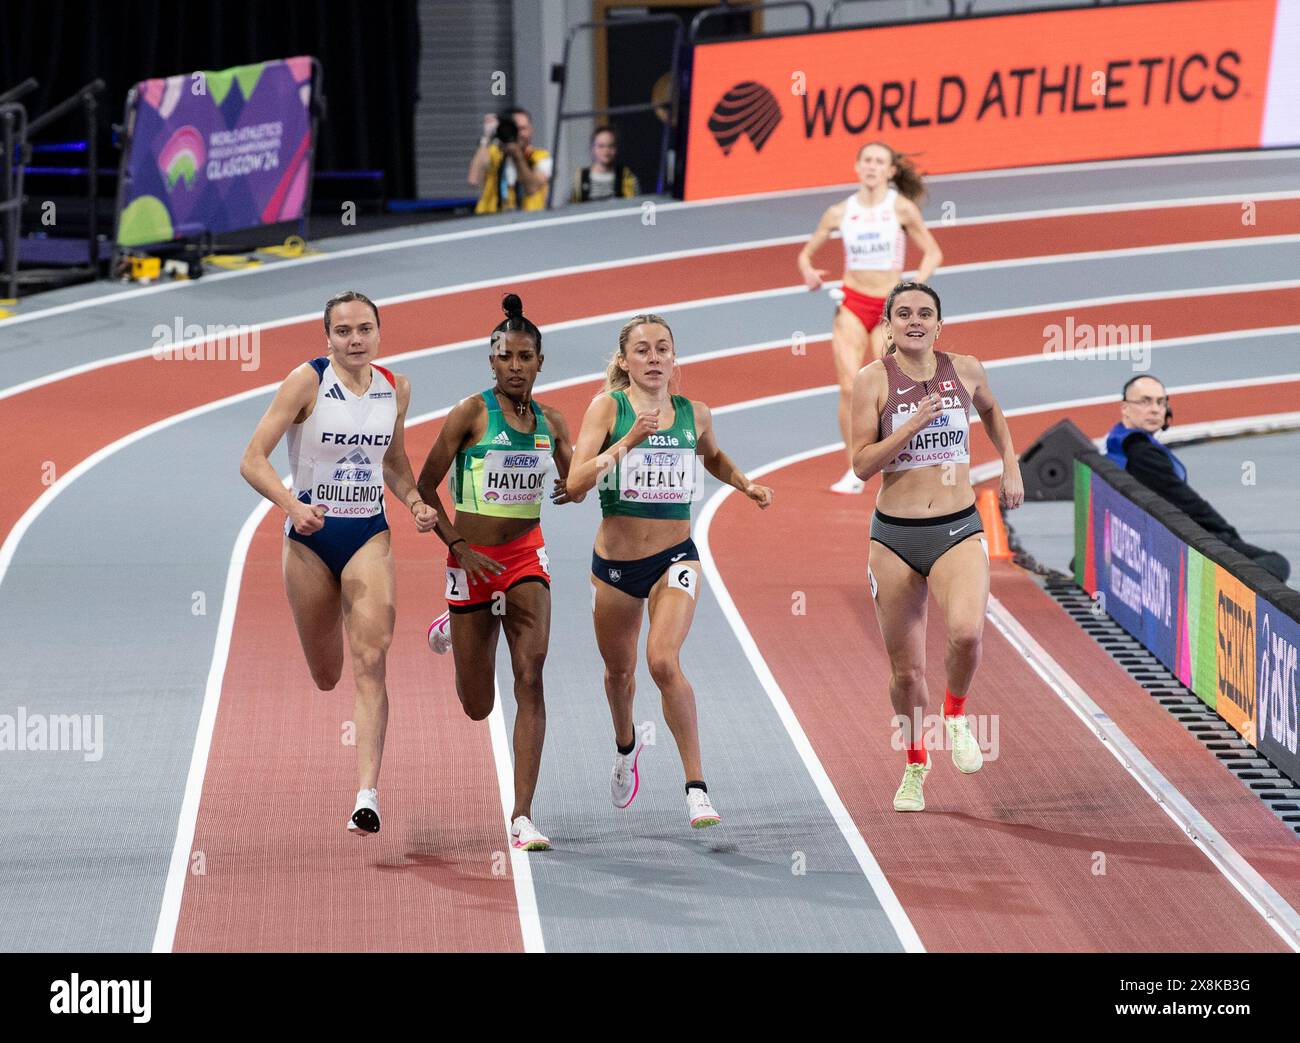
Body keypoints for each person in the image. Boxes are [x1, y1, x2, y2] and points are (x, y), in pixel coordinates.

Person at [239, 291, 437, 835]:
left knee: (371, 658)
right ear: (328, 336)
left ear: (378, 333)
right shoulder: (306, 381)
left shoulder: (396, 388)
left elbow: (394, 463)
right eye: (344, 331)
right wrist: (292, 506)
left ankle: (366, 795)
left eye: (364, 329)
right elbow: (252, 459)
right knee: (328, 675)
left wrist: (416, 501)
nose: (355, 340)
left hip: (367, 533)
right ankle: (362, 779)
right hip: (308, 541)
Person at [566, 314, 774, 829]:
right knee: (620, 673)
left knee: (662, 660)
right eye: (643, 350)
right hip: (614, 566)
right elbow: (574, 484)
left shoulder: (694, 413)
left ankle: (696, 788)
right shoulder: (607, 409)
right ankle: (625, 746)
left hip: (675, 556)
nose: (654, 358)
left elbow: (713, 457)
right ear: (624, 361)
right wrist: (630, 439)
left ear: (674, 358)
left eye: (663, 349)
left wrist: (744, 484)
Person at [850, 282, 1023, 812]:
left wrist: (1010, 463)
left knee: (967, 634)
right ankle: (915, 763)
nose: (915, 321)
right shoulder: (872, 381)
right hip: (895, 537)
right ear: (889, 326)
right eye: (904, 314)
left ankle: (955, 716)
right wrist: (913, 425)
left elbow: (992, 411)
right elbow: (861, 464)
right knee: (906, 673)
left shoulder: (965, 369)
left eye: (925, 313)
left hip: (957, 527)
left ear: (939, 325)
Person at [416, 294, 580, 851]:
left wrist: (578, 479)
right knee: (477, 704)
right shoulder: (470, 414)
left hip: (525, 558)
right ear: (492, 361)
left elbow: (575, 482)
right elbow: (424, 489)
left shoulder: (552, 421)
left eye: (525, 357)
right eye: (506, 356)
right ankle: (450, 623)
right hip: (469, 561)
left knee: (531, 674)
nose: (515, 366)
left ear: (540, 363)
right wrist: (458, 545)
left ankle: (522, 815)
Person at [798, 141, 943, 495]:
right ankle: (854, 467)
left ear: (891, 170)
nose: (872, 167)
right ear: (857, 166)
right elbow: (805, 253)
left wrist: (915, 287)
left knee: (891, 386)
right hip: (851, 303)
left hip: (887, 308)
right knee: (849, 387)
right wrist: (809, 272)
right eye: (867, 160)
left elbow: (933, 252)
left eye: (880, 162)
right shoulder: (839, 212)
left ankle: (903, 457)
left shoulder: (902, 208)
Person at [1106, 375, 1290, 582]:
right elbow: (1188, 503)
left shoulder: (1117, 442)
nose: (1155, 409)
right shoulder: (1143, 455)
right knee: (1276, 562)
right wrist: (1227, 534)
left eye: (1161, 402)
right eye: (1145, 401)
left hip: (1149, 533)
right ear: (1125, 408)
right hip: (1177, 541)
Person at [469, 107, 553, 214]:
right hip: (490, 218)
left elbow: (531, 188)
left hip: (529, 219)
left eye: (523, 129)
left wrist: (516, 155)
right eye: (514, 129)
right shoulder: (493, 153)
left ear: (531, 129)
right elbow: (473, 179)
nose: (518, 134)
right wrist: (486, 137)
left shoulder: (540, 156)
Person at [570, 126, 640, 203]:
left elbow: (635, 206)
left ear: (616, 149)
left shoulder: (627, 177)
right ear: (592, 148)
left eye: (611, 146)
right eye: (601, 146)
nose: (606, 151)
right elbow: (567, 209)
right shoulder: (579, 178)